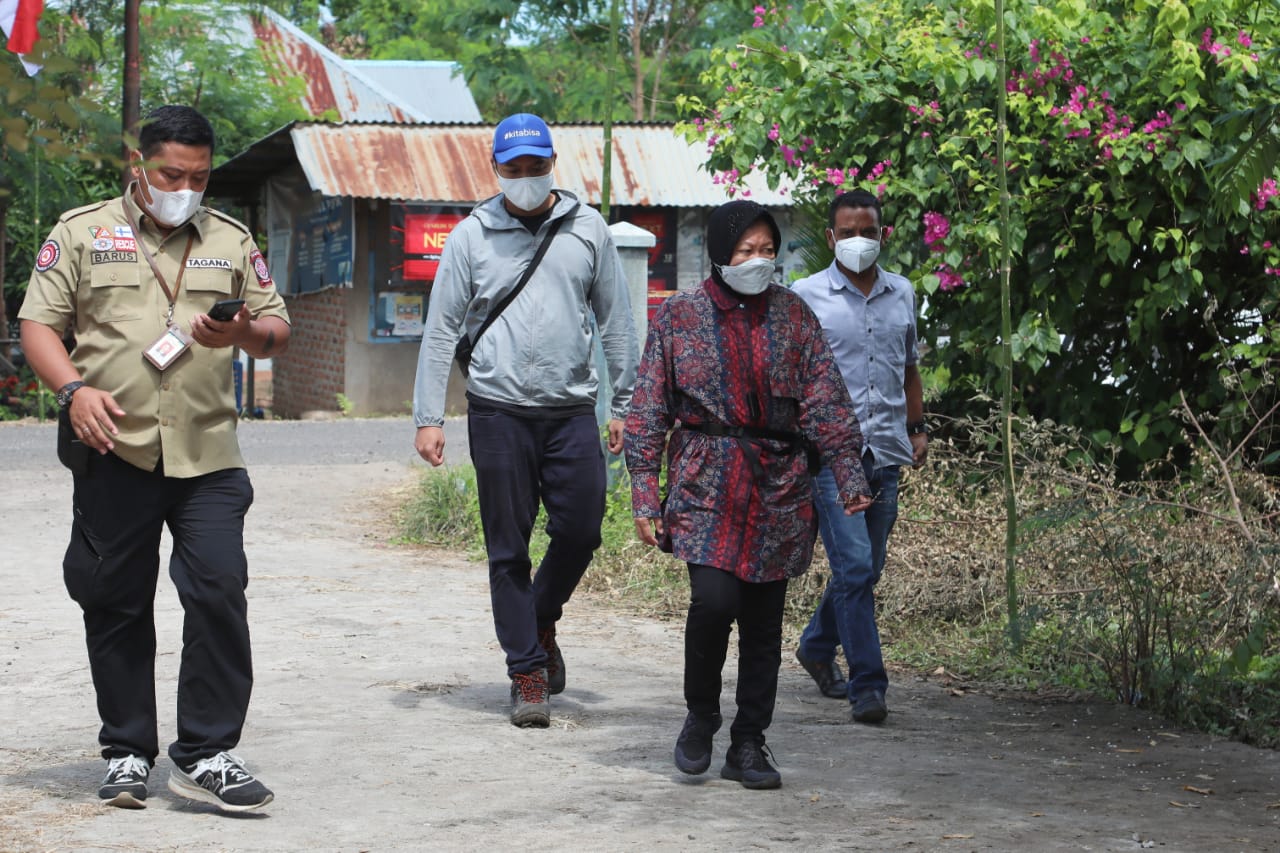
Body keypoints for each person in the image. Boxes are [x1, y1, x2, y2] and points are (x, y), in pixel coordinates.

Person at [18, 105, 290, 812]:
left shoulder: (229, 238)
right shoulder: (81, 231)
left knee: (219, 587)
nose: (185, 187)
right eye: (172, 172)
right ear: (139, 165)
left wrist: (239, 332)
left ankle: (204, 751)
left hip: (208, 454)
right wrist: (72, 390)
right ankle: (128, 750)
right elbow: (37, 324)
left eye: (198, 176)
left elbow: (275, 330)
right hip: (114, 449)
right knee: (115, 600)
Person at [624, 200, 873, 790]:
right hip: (705, 483)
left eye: (767, 250)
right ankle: (700, 715)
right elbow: (648, 408)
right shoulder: (679, 316)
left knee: (764, 622)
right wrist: (643, 492)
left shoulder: (794, 316)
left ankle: (749, 741)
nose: (758, 261)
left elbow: (826, 400)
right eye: (745, 251)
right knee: (713, 603)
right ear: (719, 254)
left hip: (779, 488)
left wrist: (849, 475)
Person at [412, 112, 638, 728]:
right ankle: (527, 673)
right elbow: (440, 333)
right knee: (506, 548)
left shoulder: (588, 230)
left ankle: (540, 617)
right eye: (515, 169)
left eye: (537, 167)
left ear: (552, 164)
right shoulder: (470, 236)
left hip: (570, 411)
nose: (527, 178)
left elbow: (616, 322)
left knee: (583, 528)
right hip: (497, 411)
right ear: (496, 170)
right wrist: (428, 417)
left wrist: (625, 403)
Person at [792, 189, 928, 724]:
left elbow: (910, 368)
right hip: (830, 457)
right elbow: (790, 376)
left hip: (887, 449)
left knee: (866, 568)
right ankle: (868, 686)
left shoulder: (902, 294)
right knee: (853, 566)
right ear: (831, 238)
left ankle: (817, 647)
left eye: (866, 232)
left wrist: (917, 428)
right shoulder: (804, 295)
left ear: (883, 235)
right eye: (846, 233)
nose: (857, 241)